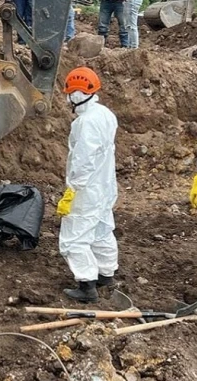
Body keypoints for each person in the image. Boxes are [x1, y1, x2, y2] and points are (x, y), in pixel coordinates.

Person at [57, 67, 118, 303]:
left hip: (88, 188)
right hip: (105, 185)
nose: (67, 98)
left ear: (76, 94)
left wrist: (72, 189)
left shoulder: (84, 123)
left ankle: (86, 284)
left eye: (69, 93)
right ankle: (106, 273)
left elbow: (83, 160)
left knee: (74, 236)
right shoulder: (105, 114)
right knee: (102, 228)